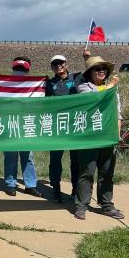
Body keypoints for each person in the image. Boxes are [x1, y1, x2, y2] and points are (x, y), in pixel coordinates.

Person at [74, 56, 124, 221]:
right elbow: (94, 100)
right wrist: (111, 86)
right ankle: (81, 205)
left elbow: (117, 113)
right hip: (89, 137)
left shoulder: (111, 89)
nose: (101, 71)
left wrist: (117, 135)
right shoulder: (83, 86)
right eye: (97, 68)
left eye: (104, 69)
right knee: (87, 172)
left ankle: (106, 205)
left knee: (107, 173)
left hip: (108, 136)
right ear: (90, 73)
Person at [3, 56, 42, 197]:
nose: (19, 71)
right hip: (10, 124)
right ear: (13, 69)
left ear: (28, 70)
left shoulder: (34, 85)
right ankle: (10, 184)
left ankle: (30, 185)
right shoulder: (4, 84)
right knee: (10, 156)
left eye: (22, 69)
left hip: (26, 124)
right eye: (17, 68)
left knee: (28, 156)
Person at [45, 54, 80, 202]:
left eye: (60, 63)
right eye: (55, 64)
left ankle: (75, 189)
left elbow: (91, 76)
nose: (58, 65)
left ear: (66, 63)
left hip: (74, 125)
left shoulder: (76, 78)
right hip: (57, 127)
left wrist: (86, 57)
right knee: (55, 161)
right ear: (52, 67)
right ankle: (56, 190)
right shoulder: (49, 83)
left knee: (76, 160)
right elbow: (45, 102)